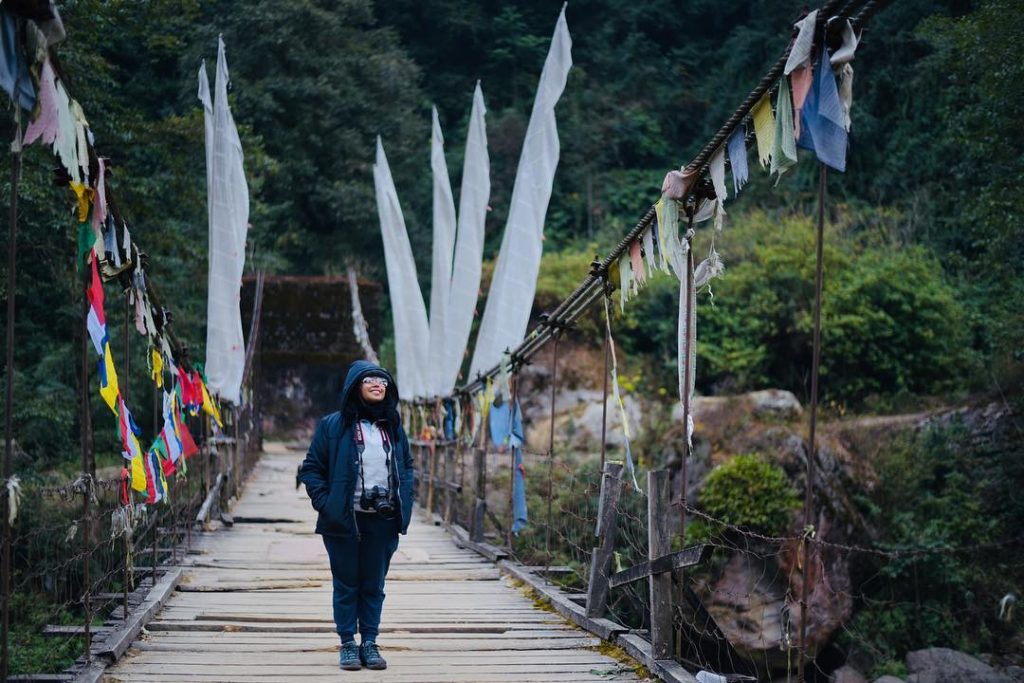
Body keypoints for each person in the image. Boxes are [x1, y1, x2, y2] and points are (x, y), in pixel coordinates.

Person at [298, 360, 414, 671]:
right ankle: (348, 642)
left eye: (383, 380)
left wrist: (407, 500)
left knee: (374, 584)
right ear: (355, 386)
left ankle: (371, 642)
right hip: (344, 520)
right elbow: (311, 469)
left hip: (384, 519)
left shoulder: (394, 426)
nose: (378, 384)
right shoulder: (333, 426)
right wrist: (328, 503)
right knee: (347, 583)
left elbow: (408, 467)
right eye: (370, 380)